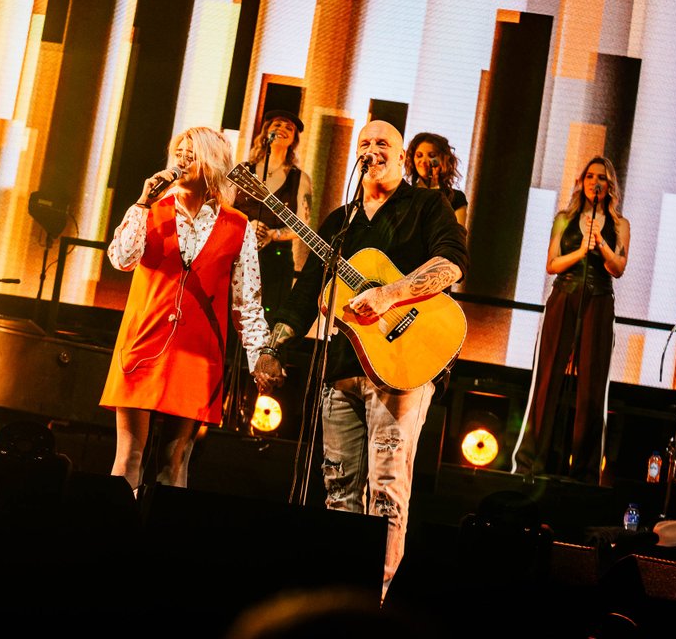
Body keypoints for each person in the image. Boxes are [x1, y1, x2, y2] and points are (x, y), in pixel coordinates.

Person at [253, 120, 469, 600]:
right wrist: (274, 346)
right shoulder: (340, 222)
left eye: (383, 143)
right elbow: (306, 291)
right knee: (339, 488)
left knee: (387, 490)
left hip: (401, 370)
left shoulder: (428, 206)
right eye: (365, 143)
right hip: (341, 369)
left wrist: (389, 294)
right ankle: (337, 597)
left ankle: (375, 598)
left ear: (401, 155)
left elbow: (451, 263)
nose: (373, 150)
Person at [99, 127, 271, 491]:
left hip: (198, 355)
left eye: (193, 152)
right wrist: (142, 203)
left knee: (175, 462)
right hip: (143, 347)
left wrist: (261, 358)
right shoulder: (149, 211)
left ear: (215, 162)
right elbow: (121, 258)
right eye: (179, 150)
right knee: (129, 454)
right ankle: (112, 534)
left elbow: (247, 304)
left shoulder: (238, 227)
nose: (183, 158)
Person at [511, 156, 630, 484]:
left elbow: (618, 268)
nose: (595, 182)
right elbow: (551, 264)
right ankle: (528, 465)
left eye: (602, 178)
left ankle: (585, 473)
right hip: (564, 295)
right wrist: (580, 251)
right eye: (590, 176)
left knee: (592, 389)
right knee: (547, 378)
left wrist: (601, 244)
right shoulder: (564, 219)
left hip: (600, 300)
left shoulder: (620, 224)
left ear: (610, 187)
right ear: (581, 182)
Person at [236, 110, 315, 321]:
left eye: (289, 128)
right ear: (266, 132)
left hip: (276, 262)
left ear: (294, 141)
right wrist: (247, 225)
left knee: (267, 319)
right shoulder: (244, 171)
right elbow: (224, 211)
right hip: (239, 255)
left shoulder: (300, 179)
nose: (282, 129)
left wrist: (272, 234)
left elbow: (303, 226)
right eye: (277, 125)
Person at [404, 131, 467, 224]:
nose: (424, 161)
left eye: (432, 155)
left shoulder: (456, 198)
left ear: (443, 160)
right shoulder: (405, 194)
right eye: (419, 155)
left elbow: (458, 235)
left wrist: (435, 184)